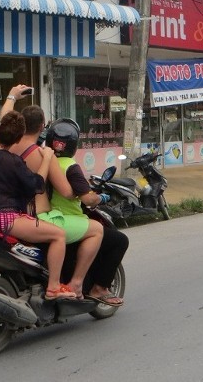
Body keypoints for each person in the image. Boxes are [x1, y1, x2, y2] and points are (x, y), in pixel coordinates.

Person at [0, 85, 108, 301]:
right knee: (93, 230)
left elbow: (4, 119)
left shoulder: (8, 144)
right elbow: (67, 192)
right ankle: (67, 285)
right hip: (35, 217)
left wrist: (12, 95)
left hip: (10, 212)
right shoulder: (42, 154)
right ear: (42, 127)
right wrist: (85, 190)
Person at [0, 110, 76, 300]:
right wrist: (46, 158)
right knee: (58, 235)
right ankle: (53, 286)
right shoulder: (13, 162)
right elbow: (37, 185)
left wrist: (12, 97)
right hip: (6, 221)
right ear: (18, 138)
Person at [44, 117, 127, 306]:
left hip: (43, 219)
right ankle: (86, 286)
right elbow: (87, 198)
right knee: (119, 240)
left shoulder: (43, 160)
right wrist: (101, 197)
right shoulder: (70, 167)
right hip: (66, 220)